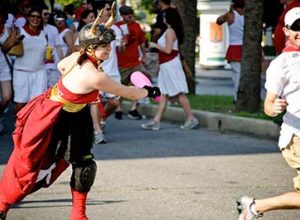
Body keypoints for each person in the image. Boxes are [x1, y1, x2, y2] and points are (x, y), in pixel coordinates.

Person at [0, 12, 160, 220]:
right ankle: (2, 204)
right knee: (32, 169)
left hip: (76, 116)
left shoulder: (77, 58)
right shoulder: (95, 75)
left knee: (84, 165)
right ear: (90, 48)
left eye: (109, 46)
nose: (109, 50)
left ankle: (78, 216)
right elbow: (128, 92)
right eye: (104, 47)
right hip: (54, 118)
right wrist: (150, 91)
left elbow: (60, 66)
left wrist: (74, 90)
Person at [237, 7, 300, 220]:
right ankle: (254, 207)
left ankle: (254, 207)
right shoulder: (282, 64)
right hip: (297, 136)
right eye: (296, 28)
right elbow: (268, 104)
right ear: (287, 31)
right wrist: (273, 108)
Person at [141, 8, 199, 131]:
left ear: (169, 18)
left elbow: (167, 50)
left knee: (178, 92)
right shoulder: (171, 31)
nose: (163, 17)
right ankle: (156, 121)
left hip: (170, 64)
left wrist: (154, 45)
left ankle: (191, 118)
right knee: (164, 94)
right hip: (167, 65)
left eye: (165, 16)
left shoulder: (169, 31)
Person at [90, 1, 124, 144]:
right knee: (95, 102)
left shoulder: (116, 29)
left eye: (112, 9)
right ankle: (97, 131)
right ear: (99, 11)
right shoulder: (94, 29)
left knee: (115, 102)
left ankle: (102, 120)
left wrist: (122, 46)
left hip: (113, 72)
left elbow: (120, 50)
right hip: (97, 71)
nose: (111, 12)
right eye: (108, 9)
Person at [12, 7, 48, 114]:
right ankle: (18, 125)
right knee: (20, 104)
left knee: (37, 103)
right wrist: (14, 41)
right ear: (28, 18)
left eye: (38, 17)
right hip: (21, 72)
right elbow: (5, 48)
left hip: (39, 72)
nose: (35, 19)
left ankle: (30, 128)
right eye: (33, 16)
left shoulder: (43, 34)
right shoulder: (19, 31)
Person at [115, 5, 147, 120]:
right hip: (121, 63)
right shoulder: (117, 27)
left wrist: (144, 55)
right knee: (121, 87)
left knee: (136, 86)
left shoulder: (137, 26)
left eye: (131, 13)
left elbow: (142, 42)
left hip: (135, 62)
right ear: (122, 15)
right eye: (127, 13)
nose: (130, 15)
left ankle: (133, 109)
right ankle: (118, 108)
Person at [216, 0, 245, 104]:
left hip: (234, 47)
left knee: (236, 75)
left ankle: (236, 97)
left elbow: (218, 21)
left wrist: (230, 10)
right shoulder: (247, 15)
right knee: (243, 74)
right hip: (244, 47)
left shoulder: (230, 15)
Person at [42, 5, 61, 88]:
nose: (47, 16)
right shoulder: (36, 30)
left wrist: (61, 63)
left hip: (52, 65)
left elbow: (58, 47)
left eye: (48, 14)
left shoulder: (53, 29)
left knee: (52, 90)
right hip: (40, 66)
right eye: (45, 14)